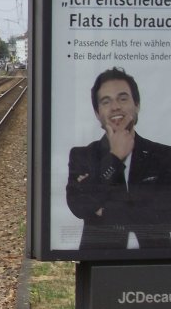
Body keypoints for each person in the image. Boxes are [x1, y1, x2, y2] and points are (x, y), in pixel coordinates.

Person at [66, 67, 171, 250]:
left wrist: (105, 209)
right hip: (99, 259)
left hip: (156, 259)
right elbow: (80, 206)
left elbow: (165, 213)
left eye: (123, 98)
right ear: (97, 113)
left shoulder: (163, 155)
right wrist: (115, 157)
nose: (115, 106)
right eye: (106, 101)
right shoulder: (82, 155)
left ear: (137, 105)